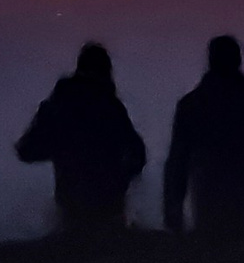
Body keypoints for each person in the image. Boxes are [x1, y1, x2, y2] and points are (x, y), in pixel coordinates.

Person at [162, 34, 244, 237]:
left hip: (209, 210)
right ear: (238, 60)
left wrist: (173, 216)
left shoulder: (192, 106)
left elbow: (177, 164)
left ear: (210, 61)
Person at [15, 42, 147, 237]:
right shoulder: (109, 106)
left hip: (73, 205)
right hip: (107, 208)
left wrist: (58, 148)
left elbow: (26, 150)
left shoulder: (59, 106)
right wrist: (121, 180)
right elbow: (137, 154)